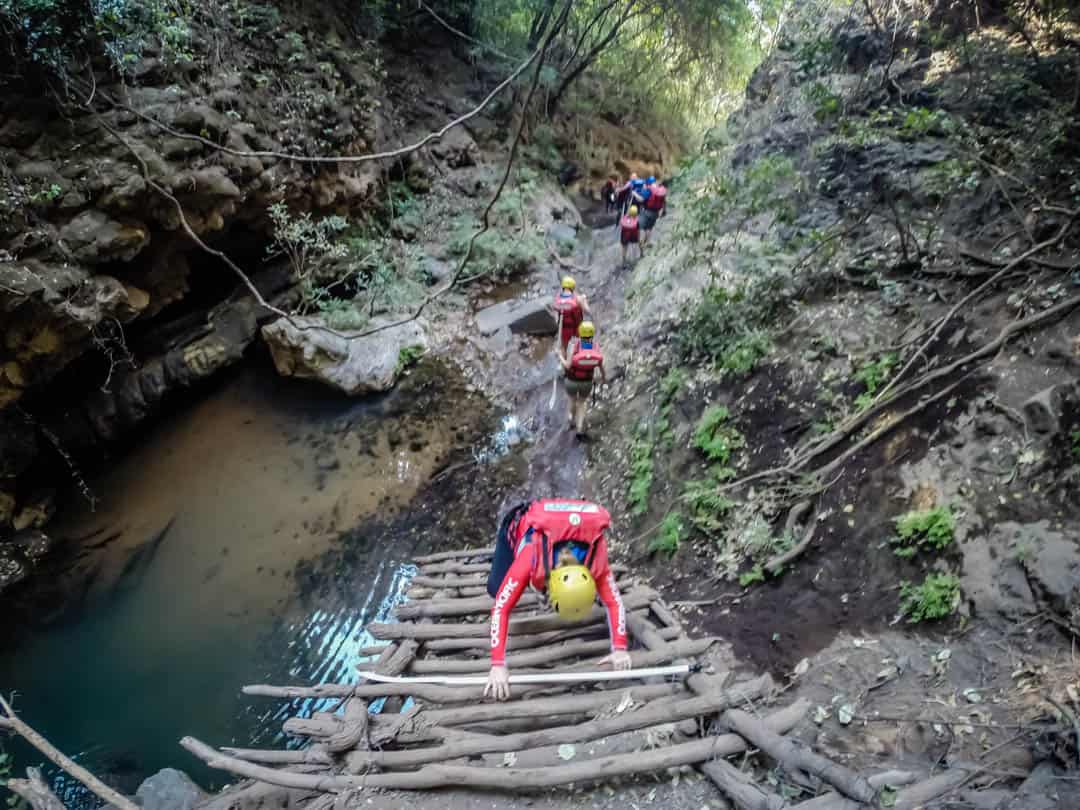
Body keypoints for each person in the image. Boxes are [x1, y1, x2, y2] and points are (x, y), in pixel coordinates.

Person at [484, 498, 630, 701]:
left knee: (605, 592)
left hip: (568, 528)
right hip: (520, 524)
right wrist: (498, 665)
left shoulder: (597, 557)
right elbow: (501, 608)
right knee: (495, 588)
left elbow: (614, 602)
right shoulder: (530, 556)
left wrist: (620, 649)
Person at [559, 320, 606, 436]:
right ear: (592, 334)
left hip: (571, 381)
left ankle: (570, 419)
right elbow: (601, 367)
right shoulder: (595, 348)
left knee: (572, 399)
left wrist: (559, 355)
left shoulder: (574, 346)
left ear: (580, 333)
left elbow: (568, 365)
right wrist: (603, 378)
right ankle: (579, 428)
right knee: (582, 402)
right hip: (586, 383)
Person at [551, 276, 590, 353]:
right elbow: (587, 311)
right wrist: (584, 300)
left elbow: (554, 312)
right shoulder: (578, 298)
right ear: (573, 287)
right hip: (576, 329)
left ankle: (565, 360)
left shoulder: (557, 299)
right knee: (578, 347)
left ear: (563, 287)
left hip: (563, 329)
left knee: (565, 349)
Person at [640, 176, 667, 249]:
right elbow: (664, 201)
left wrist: (636, 193)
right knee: (649, 227)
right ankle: (648, 242)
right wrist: (664, 211)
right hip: (656, 212)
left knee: (642, 227)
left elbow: (642, 199)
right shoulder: (660, 190)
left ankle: (642, 243)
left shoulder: (648, 189)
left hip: (647, 211)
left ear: (648, 183)